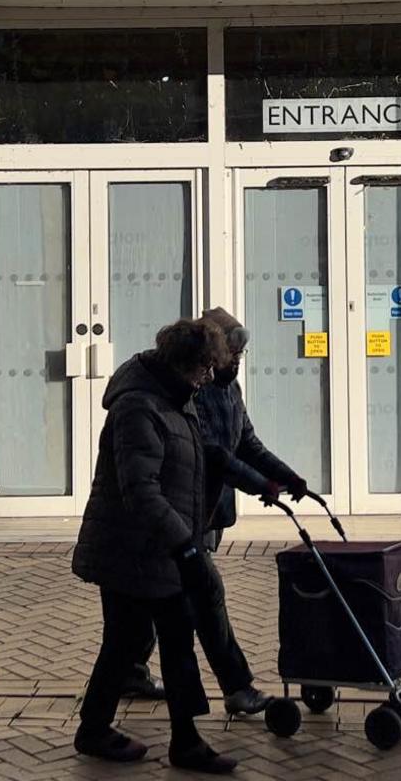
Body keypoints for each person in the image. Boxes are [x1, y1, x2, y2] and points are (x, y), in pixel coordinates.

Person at [71, 318, 238, 774]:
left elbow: (197, 463)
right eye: (205, 368)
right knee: (127, 643)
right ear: (185, 363)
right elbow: (141, 490)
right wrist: (185, 546)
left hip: (159, 548)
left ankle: (178, 739)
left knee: (164, 642)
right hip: (131, 550)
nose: (208, 378)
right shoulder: (139, 407)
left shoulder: (174, 400)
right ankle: (100, 730)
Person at [127, 307, 308, 718]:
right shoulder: (191, 388)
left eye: (241, 357)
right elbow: (213, 454)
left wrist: (287, 477)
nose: (235, 364)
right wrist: (261, 485)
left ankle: (129, 671)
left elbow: (247, 443)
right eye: (232, 356)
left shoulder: (229, 389)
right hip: (182, 515)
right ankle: (236, 687)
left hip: (207, 512)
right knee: (204, 600)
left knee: (148, 599)